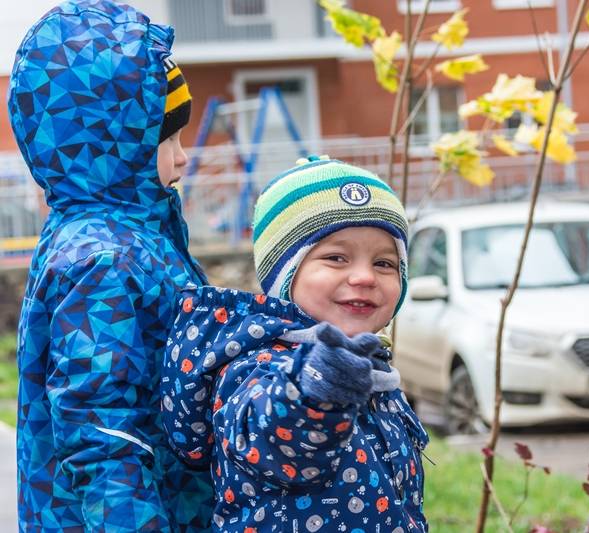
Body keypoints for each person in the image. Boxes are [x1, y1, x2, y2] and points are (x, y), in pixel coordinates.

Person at [8, 0, 213, 530]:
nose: (184, 157)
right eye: (167, 139)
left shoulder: (123, 235)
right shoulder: (103, 260)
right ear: (115, 147)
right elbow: (104, 441)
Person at [162, 156, 430, 532]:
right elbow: (278, 440)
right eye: (336, 258)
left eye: (385, 263)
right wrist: (315, 390)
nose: (365, 276)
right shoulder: (257, 365)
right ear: (285, 273)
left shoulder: (370, 366)